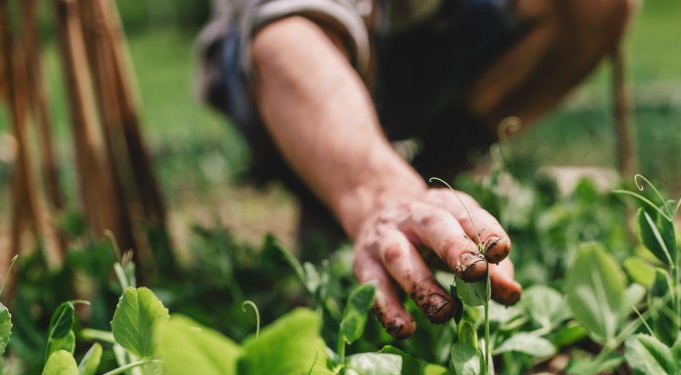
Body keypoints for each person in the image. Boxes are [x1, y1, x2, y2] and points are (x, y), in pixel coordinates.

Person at [197, 0, 636, 338]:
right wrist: (381, 194)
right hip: (274, 58)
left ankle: (438, 166)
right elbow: (287, 34)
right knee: (288, 33)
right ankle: (335, 187)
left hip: (428, 41)